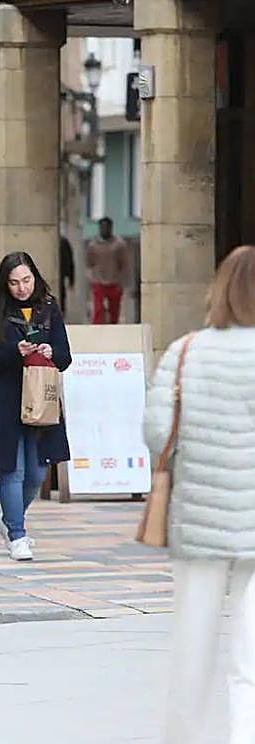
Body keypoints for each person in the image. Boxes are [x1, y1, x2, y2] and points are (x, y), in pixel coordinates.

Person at [145, 245, 255, 744]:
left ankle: (184, 735)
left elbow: (156, 434)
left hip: (201, 521)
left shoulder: (185, 351)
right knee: (251, 652)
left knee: (193, 643)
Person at [0, 251, 71, 562]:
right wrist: (14, 352)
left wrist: (50, 351)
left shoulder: (48, 309)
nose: (22, 288)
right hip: (4, 402)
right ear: (4, 284)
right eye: (14, 282)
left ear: (35, 278)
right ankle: (17, 535)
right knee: (13, 470)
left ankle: (9, 518)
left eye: (26, 280)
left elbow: (65, 356)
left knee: (37, 473)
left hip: (39, 402)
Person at [87, 217, 128, 325]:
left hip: (114, 281)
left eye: (107, 227)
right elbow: (90, 263)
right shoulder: (93, 245)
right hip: (98, 281)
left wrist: (122, 281)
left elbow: (124, 264)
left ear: (111, 228)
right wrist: (90, 277)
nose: (104, 229)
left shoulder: (119, 244)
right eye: (102, 227)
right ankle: (97, 329)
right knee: (98, 309)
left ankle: (113, 328)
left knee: (114, 310)